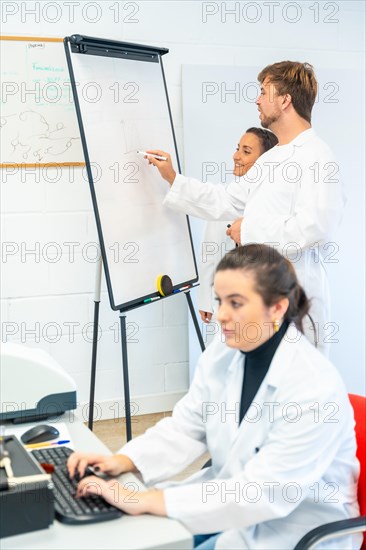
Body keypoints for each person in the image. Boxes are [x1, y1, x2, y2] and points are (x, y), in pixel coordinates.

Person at [68, 244, 359, 550]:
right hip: (229, 509)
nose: (221, 315)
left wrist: (146, 500)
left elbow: (261, 494)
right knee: (128, 537)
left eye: (236, 303)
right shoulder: (224, 354)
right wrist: (121, 461)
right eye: (220, 301)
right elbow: (186, 426)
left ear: (277, 307)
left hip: (294, 531)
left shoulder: (312, 387)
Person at [145, 61, 345, 355]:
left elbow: (314, 229)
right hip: (261, 295)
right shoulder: (272, 158)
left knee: (290, 387)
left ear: (285, 100)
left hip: (295, 296)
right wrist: (173, 178)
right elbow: (227, 199)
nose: (257, 99)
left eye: (264, 92)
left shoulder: (318, 158)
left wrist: (248, 230)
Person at [199, 127, 278, 325]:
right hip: (226, 300)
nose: (236, 156)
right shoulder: (226, 198)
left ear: (264, 161)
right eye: (238, 149)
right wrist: (204, 300)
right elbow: (210, 252)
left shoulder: (275, 202)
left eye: (246, 151)